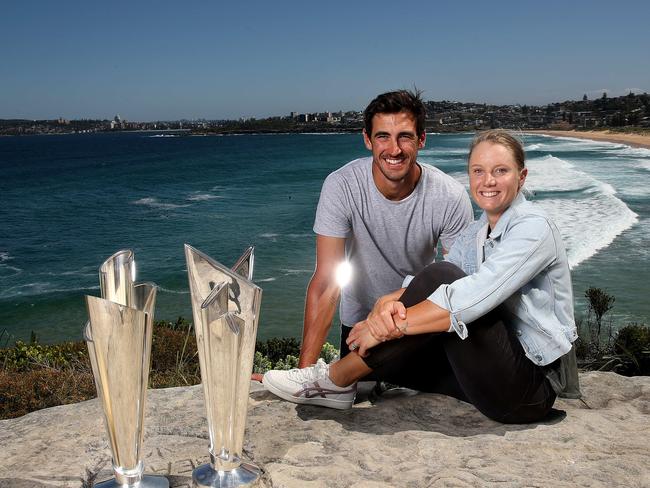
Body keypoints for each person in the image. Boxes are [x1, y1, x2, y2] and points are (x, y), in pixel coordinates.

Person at [263, 129, 580, 423]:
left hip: (529, 388)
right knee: (394, 361)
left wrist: (389, 329)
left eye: (501, 171)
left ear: (521, 177)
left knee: (442, 276)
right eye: (478, 171)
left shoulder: (534, 227)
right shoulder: (475, 233)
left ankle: (334, 380)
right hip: (487, 378)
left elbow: (470, 296)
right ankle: (336, 380)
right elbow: (422, 285)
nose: (489, 181)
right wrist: (385, 306)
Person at [298, 89, 473, 368]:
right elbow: (326, 282)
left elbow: (459, 282)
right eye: (383, 137)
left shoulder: (449, 196)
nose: (394, 149)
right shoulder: (342, 186)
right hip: (359, 328)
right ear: (367, 140)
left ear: (422, 140)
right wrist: (304, 374)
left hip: (417, 325)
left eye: (405, 136)